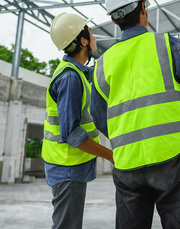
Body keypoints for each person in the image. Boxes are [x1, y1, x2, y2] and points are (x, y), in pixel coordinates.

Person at [91, 0, 180, 228]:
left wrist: (127, 138)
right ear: (143, 8)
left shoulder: (100, 65)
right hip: (170, 161)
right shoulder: (168, 45)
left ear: (113, 20)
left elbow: (99, 117)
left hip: (127, 165)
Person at [42, 12, 114, 229]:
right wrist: (110, 155)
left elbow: (100, 75)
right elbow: (72, 134)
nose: (94, 38)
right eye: (90, 33)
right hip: (67, 166)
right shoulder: (70, 78)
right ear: (83, 41)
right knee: (67, 225)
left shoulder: (79, 73)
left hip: (70, 164)